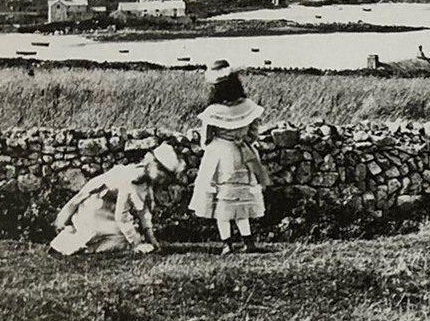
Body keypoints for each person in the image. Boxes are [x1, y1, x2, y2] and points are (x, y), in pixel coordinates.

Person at [190, 60, 270, 254]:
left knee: (222, 201)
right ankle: (248, 242)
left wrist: (216, 142)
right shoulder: (248, 106)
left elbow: (206, 139)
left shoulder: (213, 111)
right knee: (240, 199)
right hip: (243, 154)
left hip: (220, 155)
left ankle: (227, 244)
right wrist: (241, 139)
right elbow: (253, 134)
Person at [50, 143, 184, 256]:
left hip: (109, 209)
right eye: (163, 174)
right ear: (152, 165)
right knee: (121, 239)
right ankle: (78, 245)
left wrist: (151, 238)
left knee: (126, 236)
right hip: (95, 208)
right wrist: (137, 243)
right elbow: (121, 215)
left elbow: (144, 211)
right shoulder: (131, 178)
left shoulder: (145, 181)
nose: (163, 180)